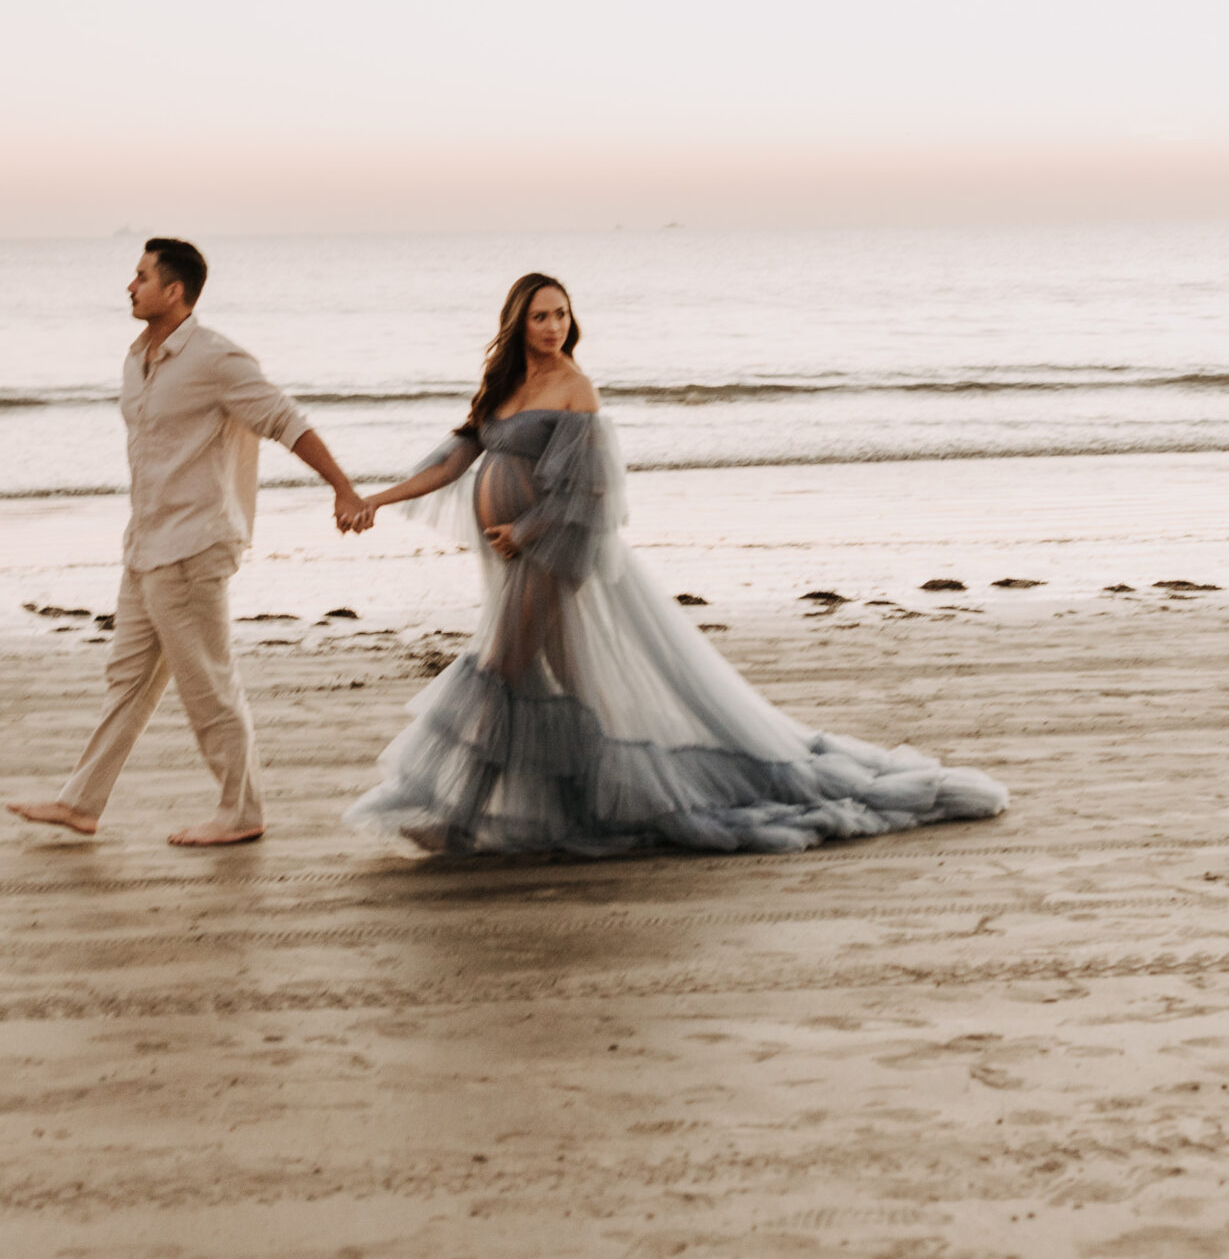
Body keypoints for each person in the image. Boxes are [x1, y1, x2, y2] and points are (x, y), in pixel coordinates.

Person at [345, 273, 1008, 856]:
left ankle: (456, 819)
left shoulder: (576, 387)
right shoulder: (504, 384)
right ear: (516, 322)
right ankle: (603, 802)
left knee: (498, 672)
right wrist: (375, 497)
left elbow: (591, 489)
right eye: (540, 315)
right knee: (568, 687)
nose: (553, 326)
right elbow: (452, 461)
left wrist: (526, 528)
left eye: (561, 314)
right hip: (519, 555)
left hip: (554, 552)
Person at [9, 237, 373, 847]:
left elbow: (287, 421)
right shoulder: (138, 358)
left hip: (193, 545)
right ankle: (80, 802)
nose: (130, 285)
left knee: (208, 682)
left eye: (142, 276)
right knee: (127, 680)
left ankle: (242, 810)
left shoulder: (217, 359)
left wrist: (345, 491)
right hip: (145, 545)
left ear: (174, 290)